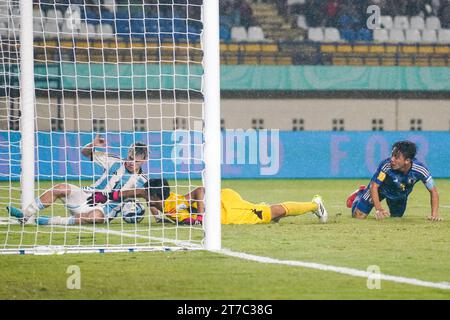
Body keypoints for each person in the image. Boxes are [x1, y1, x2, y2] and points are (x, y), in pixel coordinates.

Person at [7, 135, 149, 225]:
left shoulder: (142, 181)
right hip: (86, 196)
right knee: (60, 188)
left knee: (96, 217)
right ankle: (25, 214)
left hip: (103, 209)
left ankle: (55, 221)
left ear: (144, 161)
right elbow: (85, 153)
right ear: (128, 154)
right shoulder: (113, 161)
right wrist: (93, 144)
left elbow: (152, 198)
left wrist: (161, 216)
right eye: (131, 158)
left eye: (137, 161)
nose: (132, 162)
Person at [85, 178, 329, 225]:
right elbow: (136, 193)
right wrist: (106, 196)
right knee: (268, 211)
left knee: (273, 212)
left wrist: (202, 215)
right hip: (221, 204)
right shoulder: (159, 200)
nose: (143, 196)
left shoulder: (172, 203)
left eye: (148, 195)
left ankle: (315, 204)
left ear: (156, 198)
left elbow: (201, 190)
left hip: (225, 210)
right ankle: (258, 206)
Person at [346, 140, 441, 221]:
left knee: (396, 218)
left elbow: (433, 191)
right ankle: (359, 194)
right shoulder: (386, 166)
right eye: (392, 155)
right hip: (380, 190)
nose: (392, 159)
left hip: (399, 195)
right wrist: (379, 209)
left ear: (407, 160)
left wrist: (434, 214)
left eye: (396, 157)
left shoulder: (420, 170)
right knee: (358, 216)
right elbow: (374, 186)